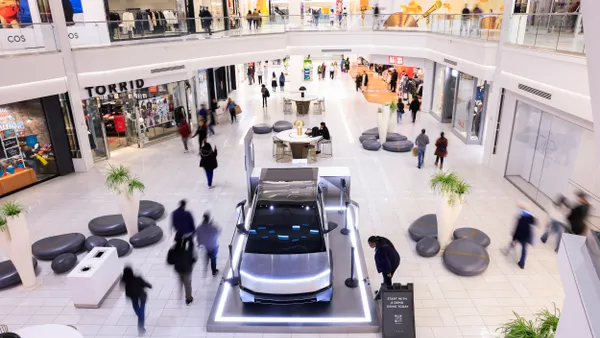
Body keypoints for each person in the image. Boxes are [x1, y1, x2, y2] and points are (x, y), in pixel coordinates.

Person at [503, 205, 536, 269]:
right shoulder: (530, 217)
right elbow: (534, 222)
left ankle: (507, 250)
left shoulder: (521, 219)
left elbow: (517, 229)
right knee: (524, 250)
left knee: (513, 243)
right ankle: (522, 264)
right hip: (526, 236)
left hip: (519, 236)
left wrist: (513, 238)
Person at [121, 267, 152, 334]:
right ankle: (141, 324)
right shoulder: (137, 279)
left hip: (132, 296)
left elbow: (122, 286)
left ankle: (140, 320)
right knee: (142, 307)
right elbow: (144, 283)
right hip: (141, 295)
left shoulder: (125, 280)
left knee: (135, 305)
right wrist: (149, 286)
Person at [166, 235, 196, 305]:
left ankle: (180, 291)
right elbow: (194, 259)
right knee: (187, 284)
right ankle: (188, 298)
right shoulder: (187, 250)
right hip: (187, 269)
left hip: (178, 269)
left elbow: (169, 261)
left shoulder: (172, 250)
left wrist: (176, 261)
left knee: (181, 279)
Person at [196, 212, 221, 276]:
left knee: (206, 256)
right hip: (213, 246)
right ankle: (214, 271)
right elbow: (218, 232)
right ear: (209, 219)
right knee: (213, 258)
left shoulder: (199, 227)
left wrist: (199, 243)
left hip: (205, 246)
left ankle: (205, 267)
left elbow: (197, 236)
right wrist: (212, 224)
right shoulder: (213, 227)